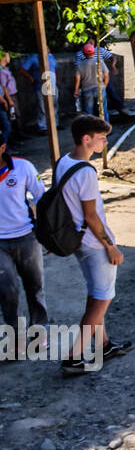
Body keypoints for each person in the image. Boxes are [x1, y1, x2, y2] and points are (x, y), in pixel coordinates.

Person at [57, 114, 130, 376]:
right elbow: (91, 214)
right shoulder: (86, 172)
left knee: (95, 294)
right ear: (86, 139)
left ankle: (104, 345)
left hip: (78, 241)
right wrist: (110, 246)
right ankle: (73, 357)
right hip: (94, 243)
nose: (105, 142)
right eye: (101, 138)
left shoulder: (64, 162)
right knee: (102, 300)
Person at [0, 127, 47, 355]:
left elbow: (42, 198)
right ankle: (15, 340)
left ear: (2, 148)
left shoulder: (23, 167)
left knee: (35, 287)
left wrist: (46, 233)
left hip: (27, 237)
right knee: (8, 292)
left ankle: (39, 333)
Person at [73, 42, 126, 117]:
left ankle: (90, 126)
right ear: (93, 52)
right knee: (103, 110)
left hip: (87, 87)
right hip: (100, 85)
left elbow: (77, 78)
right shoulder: (99, 62)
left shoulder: (80, 64)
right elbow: (106, 75)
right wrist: (104, 86)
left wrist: (76, 89)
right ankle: (106, 124)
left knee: (88, 110)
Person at [18, 50, 58, 131]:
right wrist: (30, 78)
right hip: (41, 85)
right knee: (42, 107)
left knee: (55, 105)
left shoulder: (50, 56)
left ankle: (55, 124)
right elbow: (22, 69)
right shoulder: (34, 57)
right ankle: (43, 126)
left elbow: (55, 68)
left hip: (53, 84)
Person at [0, 51, 18, 147]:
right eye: (7, 56)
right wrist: (8, 100)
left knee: (12, 119)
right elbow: (3, 87)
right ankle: (7, 145)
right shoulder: (2, 71)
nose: (9, 57)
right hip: (7, 97)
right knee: (7, 124)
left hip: (9, 96)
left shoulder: (4, 69)